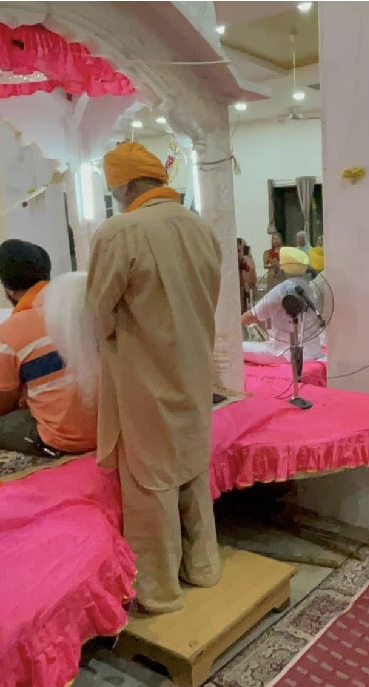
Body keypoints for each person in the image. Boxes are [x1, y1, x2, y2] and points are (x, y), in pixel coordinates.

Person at [86, 141, 223, 614]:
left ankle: (160, 593)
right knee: (191, 467)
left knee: (151, 484)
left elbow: (97, 313)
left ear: (122, 185)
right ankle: (204, 567)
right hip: (194, 367)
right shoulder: (202, 228)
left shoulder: (120, 232)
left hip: (145, 373)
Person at [0, 240, 97, 456]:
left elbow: (0, 406)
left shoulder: (7, 333)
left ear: (7, 288)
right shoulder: (83, 308)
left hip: (66, 439)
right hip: (110, 430)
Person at [242, 247, 324, 362]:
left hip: (286, 353)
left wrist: (231, 326)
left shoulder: (283, 288)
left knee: (236, 348)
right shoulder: (309, 287)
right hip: (312, 351)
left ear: (282, 268)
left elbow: (251, 316)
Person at [237, 237, 257, 313]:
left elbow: (250, 270)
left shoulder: (246, 260)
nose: (238, 254)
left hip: (245, 288)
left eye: (239, 251)